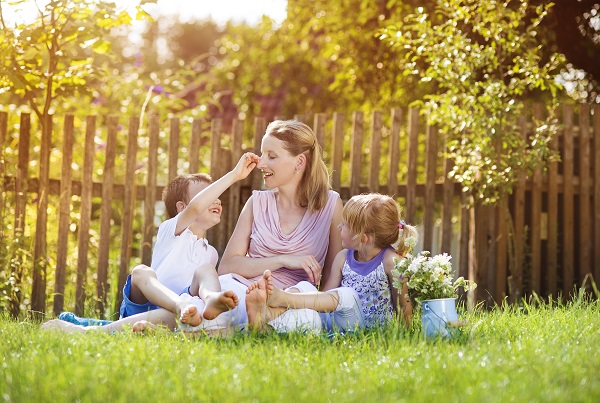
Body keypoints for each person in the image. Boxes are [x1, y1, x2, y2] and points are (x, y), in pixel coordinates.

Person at [43, 152, 259, 334]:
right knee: (140, 271)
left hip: (176, 313)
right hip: (145, 301)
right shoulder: (171, 230)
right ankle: (91, 333)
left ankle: (209, 300)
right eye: (208, 195)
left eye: (217, 195)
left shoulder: (210, 253)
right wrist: (233, 176)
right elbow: (195, 209)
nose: (217, 199)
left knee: (206, 271)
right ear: (182, 207)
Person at [217, 119, 344, 333]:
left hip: (293, 300)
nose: (260, 164)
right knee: (228, 298)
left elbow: (334, 275)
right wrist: (283, 260)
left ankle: (237, 329)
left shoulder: (331, 205)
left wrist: (317, 310)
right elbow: (227, 266)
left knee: (309, 319)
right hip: (246, 290)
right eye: (262, 154)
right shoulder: (256, 202)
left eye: (272, 156)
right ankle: (254, 323)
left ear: (299, 162)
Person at [245, 193, 418, 331]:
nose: (338, 227)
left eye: (344, 225)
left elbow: (403, 304)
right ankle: (267, 322)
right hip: (337, 324)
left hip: (367, 329)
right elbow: (324, 297)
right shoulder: (343, 257)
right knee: (307, 288)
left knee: (348, 295)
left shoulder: (391, 261)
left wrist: (406, 335)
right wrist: (306, 293)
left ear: (362, 238)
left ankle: (282, 299)